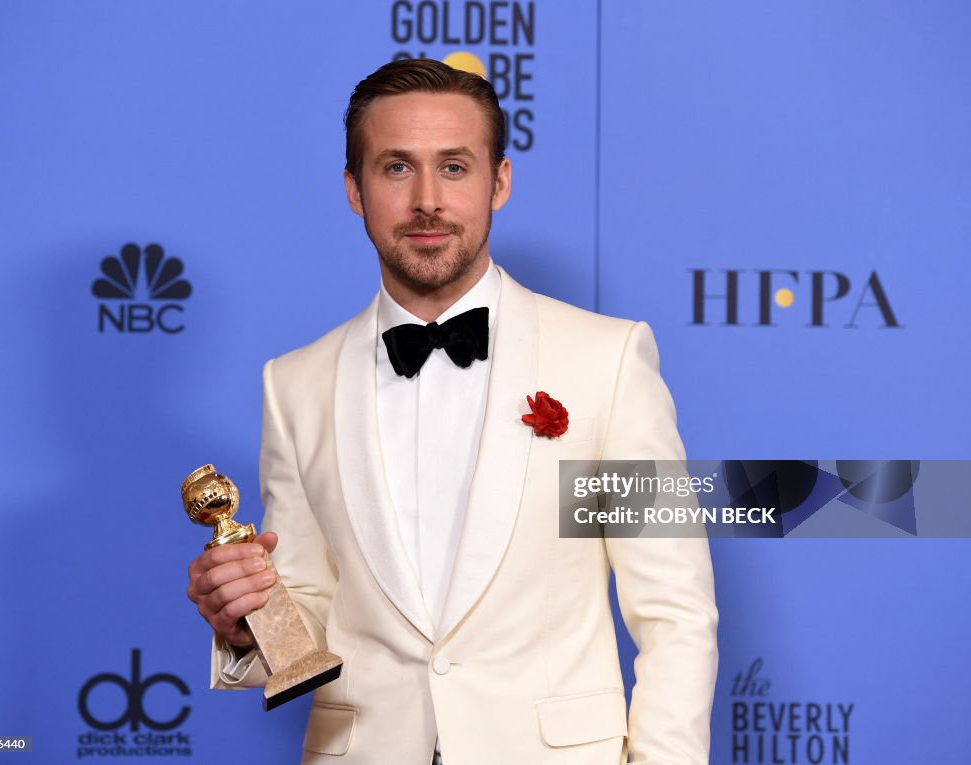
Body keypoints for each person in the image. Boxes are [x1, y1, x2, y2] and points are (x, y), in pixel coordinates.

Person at [186, 58, 718, 764]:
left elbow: (675, 612)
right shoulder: (294, 384)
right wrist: (248, 619)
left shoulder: (609, 360)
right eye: (397, 168)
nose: (428, 200)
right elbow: (309, 603)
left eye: (456, 168)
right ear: (354, 189)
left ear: (500, 181)